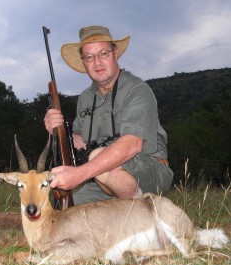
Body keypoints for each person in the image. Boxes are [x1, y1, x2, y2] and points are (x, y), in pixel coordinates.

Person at [44, 25, 173, 205]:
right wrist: (57, 132)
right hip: (102, 179)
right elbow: (80, 142)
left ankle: (146, 211)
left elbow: (132, 145)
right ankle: (121, 216)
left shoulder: (136, 89)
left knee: (97, 157)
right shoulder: (85, 98)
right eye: (89, 57)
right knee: (62, 212)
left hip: (145, 170)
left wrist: (78, 175)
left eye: (103, 54)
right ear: (84, 62)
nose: (97, 62)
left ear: (115, 53)